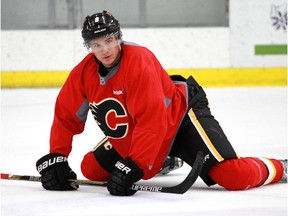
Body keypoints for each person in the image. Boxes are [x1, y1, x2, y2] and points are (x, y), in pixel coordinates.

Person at [36, 11, 287, 196]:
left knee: (234, 176)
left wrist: (136, 165)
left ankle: (280, 167)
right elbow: (65, 116)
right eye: (97, 44)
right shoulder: (83, 73)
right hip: (143, 128)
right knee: (91, 168)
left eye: (110, 40)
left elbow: (152, 120)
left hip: (180, 115)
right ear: (89, 47)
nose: (105, 50)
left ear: (119, 38)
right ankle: (167, 161)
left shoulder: (139, 61)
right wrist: (57, 155)